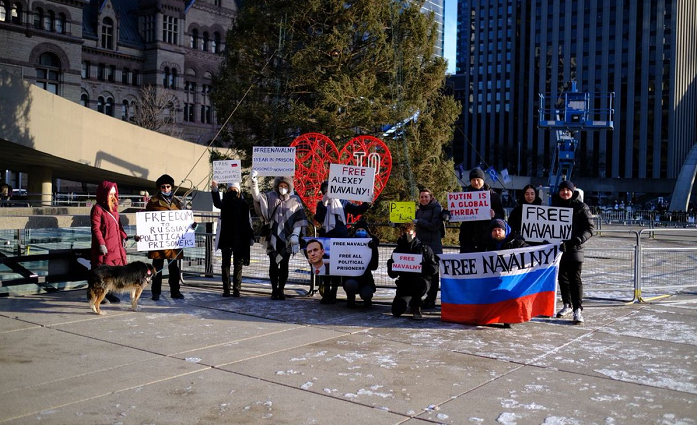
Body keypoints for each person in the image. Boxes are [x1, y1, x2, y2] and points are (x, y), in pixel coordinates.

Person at [250, 170, 308, 300]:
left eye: (285, 186)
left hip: (288, 239)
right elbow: (257, 197)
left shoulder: (295, 200)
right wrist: (253, 181)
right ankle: (274, 289)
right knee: (273, 265)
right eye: (281, 186)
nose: (283, 188)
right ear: (277, 186)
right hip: (272, 237)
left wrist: (295, 235)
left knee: (285, 265)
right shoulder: (271, 196)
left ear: (289, 187)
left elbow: (299, 219)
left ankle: (281, 289)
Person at [552, 180, 594, 324]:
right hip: (558, 249)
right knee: (562, 278)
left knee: (575, 279)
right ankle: (567, 304)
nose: (565, 192)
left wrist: (576, 240)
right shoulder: (553, 206)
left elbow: (590, 229)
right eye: (562, 190)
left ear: (573, 190)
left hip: (575, 248)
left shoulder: (581, 207)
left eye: (567, 190)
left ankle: (577, 309)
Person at [211, 180, 254, 297]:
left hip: (240, 239)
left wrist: (250, 236)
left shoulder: (244, 204)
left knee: (238, 264)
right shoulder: (225, 203)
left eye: (235, 190)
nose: (233, 192)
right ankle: (226, 288)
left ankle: (236, 288)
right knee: (225, 264)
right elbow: (217, 203)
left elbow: (248, 222)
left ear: (239, 191)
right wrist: (215, 189)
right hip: (226, 238)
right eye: (230, 190)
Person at [387, 222, 438, 320]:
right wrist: (391, 265)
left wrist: (425, 267)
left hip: (421, 282)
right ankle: (410, 302)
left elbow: (435, 268)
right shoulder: (398, 250)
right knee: (396, 311)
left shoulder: (425, 249)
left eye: (408, 233)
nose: (406, 235)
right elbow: (392, 275)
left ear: (414, 233)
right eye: (403, 233)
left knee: (418, 284)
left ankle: (416, 306)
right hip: (405, 284)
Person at [147, 174, 185, 301]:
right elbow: (146, 220)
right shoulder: (152, 202)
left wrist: (190, 224)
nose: (166, 189)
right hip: (159, 241)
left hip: (173, 241)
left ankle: (175, 291)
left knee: (174, 268)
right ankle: (155, 292)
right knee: (157, 268)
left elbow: (183, 218)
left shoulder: (177, 201)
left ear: (171, 187)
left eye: (168, 186)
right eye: (163, 187)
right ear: (159, 187)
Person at [90, 181, 127, 303]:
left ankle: (109, 292)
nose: (113, 196)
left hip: (115, 246)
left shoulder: (114, 210)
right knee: (102, 271)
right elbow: (96, 228)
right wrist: (101, 243)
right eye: (110, 194)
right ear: (104, 194)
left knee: (112, 272)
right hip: (105, 245)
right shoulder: (97, 209)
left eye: (114, 194)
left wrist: (124, 237)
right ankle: (96, 294)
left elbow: (119, 227)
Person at [458, 168, 505, 253]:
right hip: (467, 238)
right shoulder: (463, 196)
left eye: (478, 180)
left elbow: (501, 216)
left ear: (483, 180)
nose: (476, 182)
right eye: (473, 180)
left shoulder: (493, 196)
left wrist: (494, 215)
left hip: (486, 239)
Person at [413, 187, 444, 309]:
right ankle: (421, 298)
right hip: (420, 247)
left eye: (426, 196)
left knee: (434, 274)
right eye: (421, 197)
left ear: (431, 197)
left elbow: (434, 226)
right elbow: (409, 223)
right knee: (420, 274)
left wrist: (418, 221)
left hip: (433, 247)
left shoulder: (437, 208)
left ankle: (431, 299)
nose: (424, 199)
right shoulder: (418, 210)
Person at [342, 220, 379, 308]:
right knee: (350, 284)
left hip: (366, 278)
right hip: (351, 277)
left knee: (367, 292)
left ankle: (367, 300)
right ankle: (350, 298)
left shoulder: (371, 245)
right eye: (358, 230)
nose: (360, 232)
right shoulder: (348, 243)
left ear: (367, 232)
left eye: (363, 230)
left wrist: (373, 250)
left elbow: (374, 266)